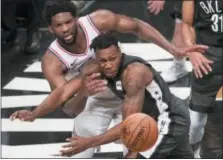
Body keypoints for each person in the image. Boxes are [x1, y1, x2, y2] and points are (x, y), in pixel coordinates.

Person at [10, 1, 210, 158]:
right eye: (58, 25)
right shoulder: (55, 62)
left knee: (133, 149)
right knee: (78, 149)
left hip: (133, 98)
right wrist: (35, 113)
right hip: (93, 99)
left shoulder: (101, 24)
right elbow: (68, 105)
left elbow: (137, 26)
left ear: (77, 20)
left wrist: (174, 50)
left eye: (68, 22)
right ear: (51, 29)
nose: (65, 29)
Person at [181, 0, 222, 158]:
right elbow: (186, 23)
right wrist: (191, 51)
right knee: (196, 123)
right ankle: (191, 152)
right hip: (207, 55)